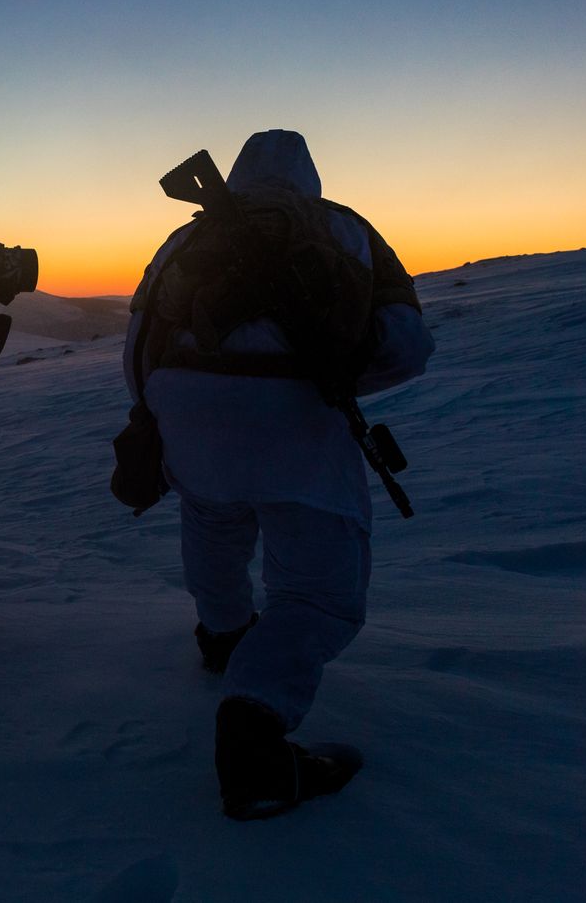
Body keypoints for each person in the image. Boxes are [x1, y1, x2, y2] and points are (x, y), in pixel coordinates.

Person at [124, 130, 434, 819]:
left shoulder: (185, 237)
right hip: (295, 421)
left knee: (213, 522)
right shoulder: (344, 228)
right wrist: (333, 380)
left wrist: (159, 411)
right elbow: (408, 346)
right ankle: (255, 739)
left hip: (186, 411)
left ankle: (225, 637)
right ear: (310, 177)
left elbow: (139, 339)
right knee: (320, 597)